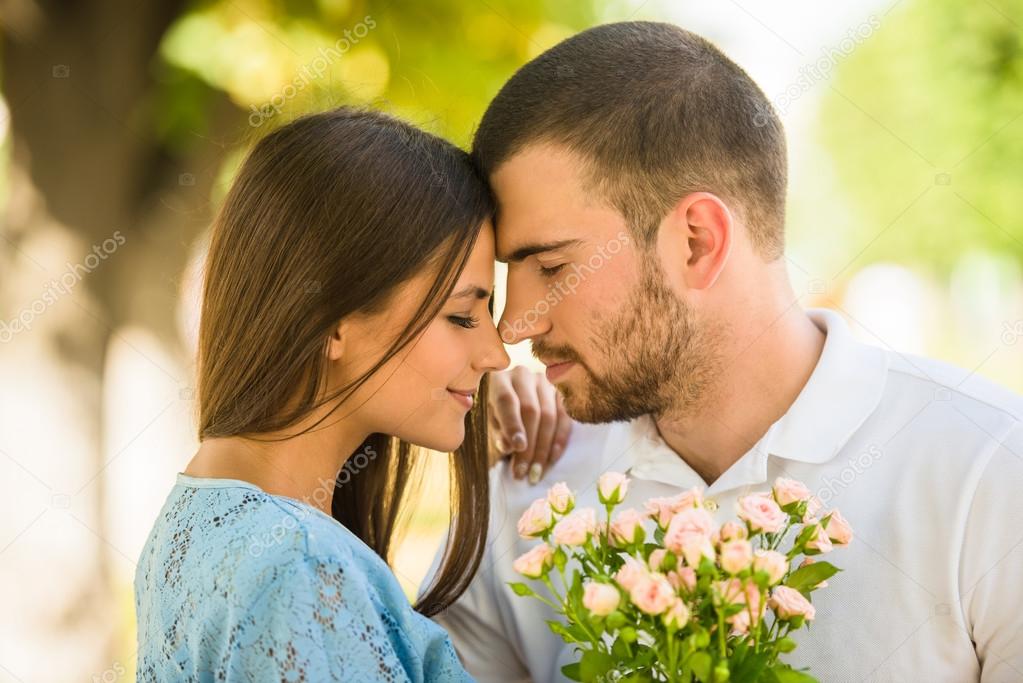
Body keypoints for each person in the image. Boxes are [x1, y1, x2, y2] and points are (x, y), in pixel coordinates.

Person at [433, 21, 1023, 682]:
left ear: (697, 242)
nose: (512, 325)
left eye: (548, 267)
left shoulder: (991, 474)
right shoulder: (527, 494)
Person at [135, 106, 510, 681]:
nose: (497, 353)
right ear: (333, 321)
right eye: (462, 315)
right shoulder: (299, 565)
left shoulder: (193, 522)